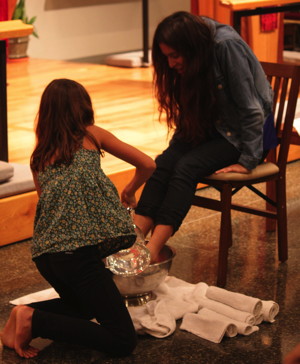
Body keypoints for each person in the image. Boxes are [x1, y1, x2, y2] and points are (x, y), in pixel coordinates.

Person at [0, 79, 156, 358]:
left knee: (83, 308)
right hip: (77, 257)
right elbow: (148, 164)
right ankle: (32, 320)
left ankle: (22, 316)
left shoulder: (39, 158)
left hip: (47, 256)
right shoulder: (91, 135)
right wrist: (130, 190)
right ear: (83, 108)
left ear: (46, 114)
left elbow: (49, 205)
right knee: (122, 341)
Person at [134, 11, 276, 263]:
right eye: (166, 56)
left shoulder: (225, 45)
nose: (170, 64)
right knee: (164, 164)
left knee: (187, 167)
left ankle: (151, 253)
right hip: (212, 129)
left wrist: (247, 160)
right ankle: (132, 246)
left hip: (244, 136)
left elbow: (251, 110)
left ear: (190, 47)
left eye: (174, 56)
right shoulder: (196, 48)